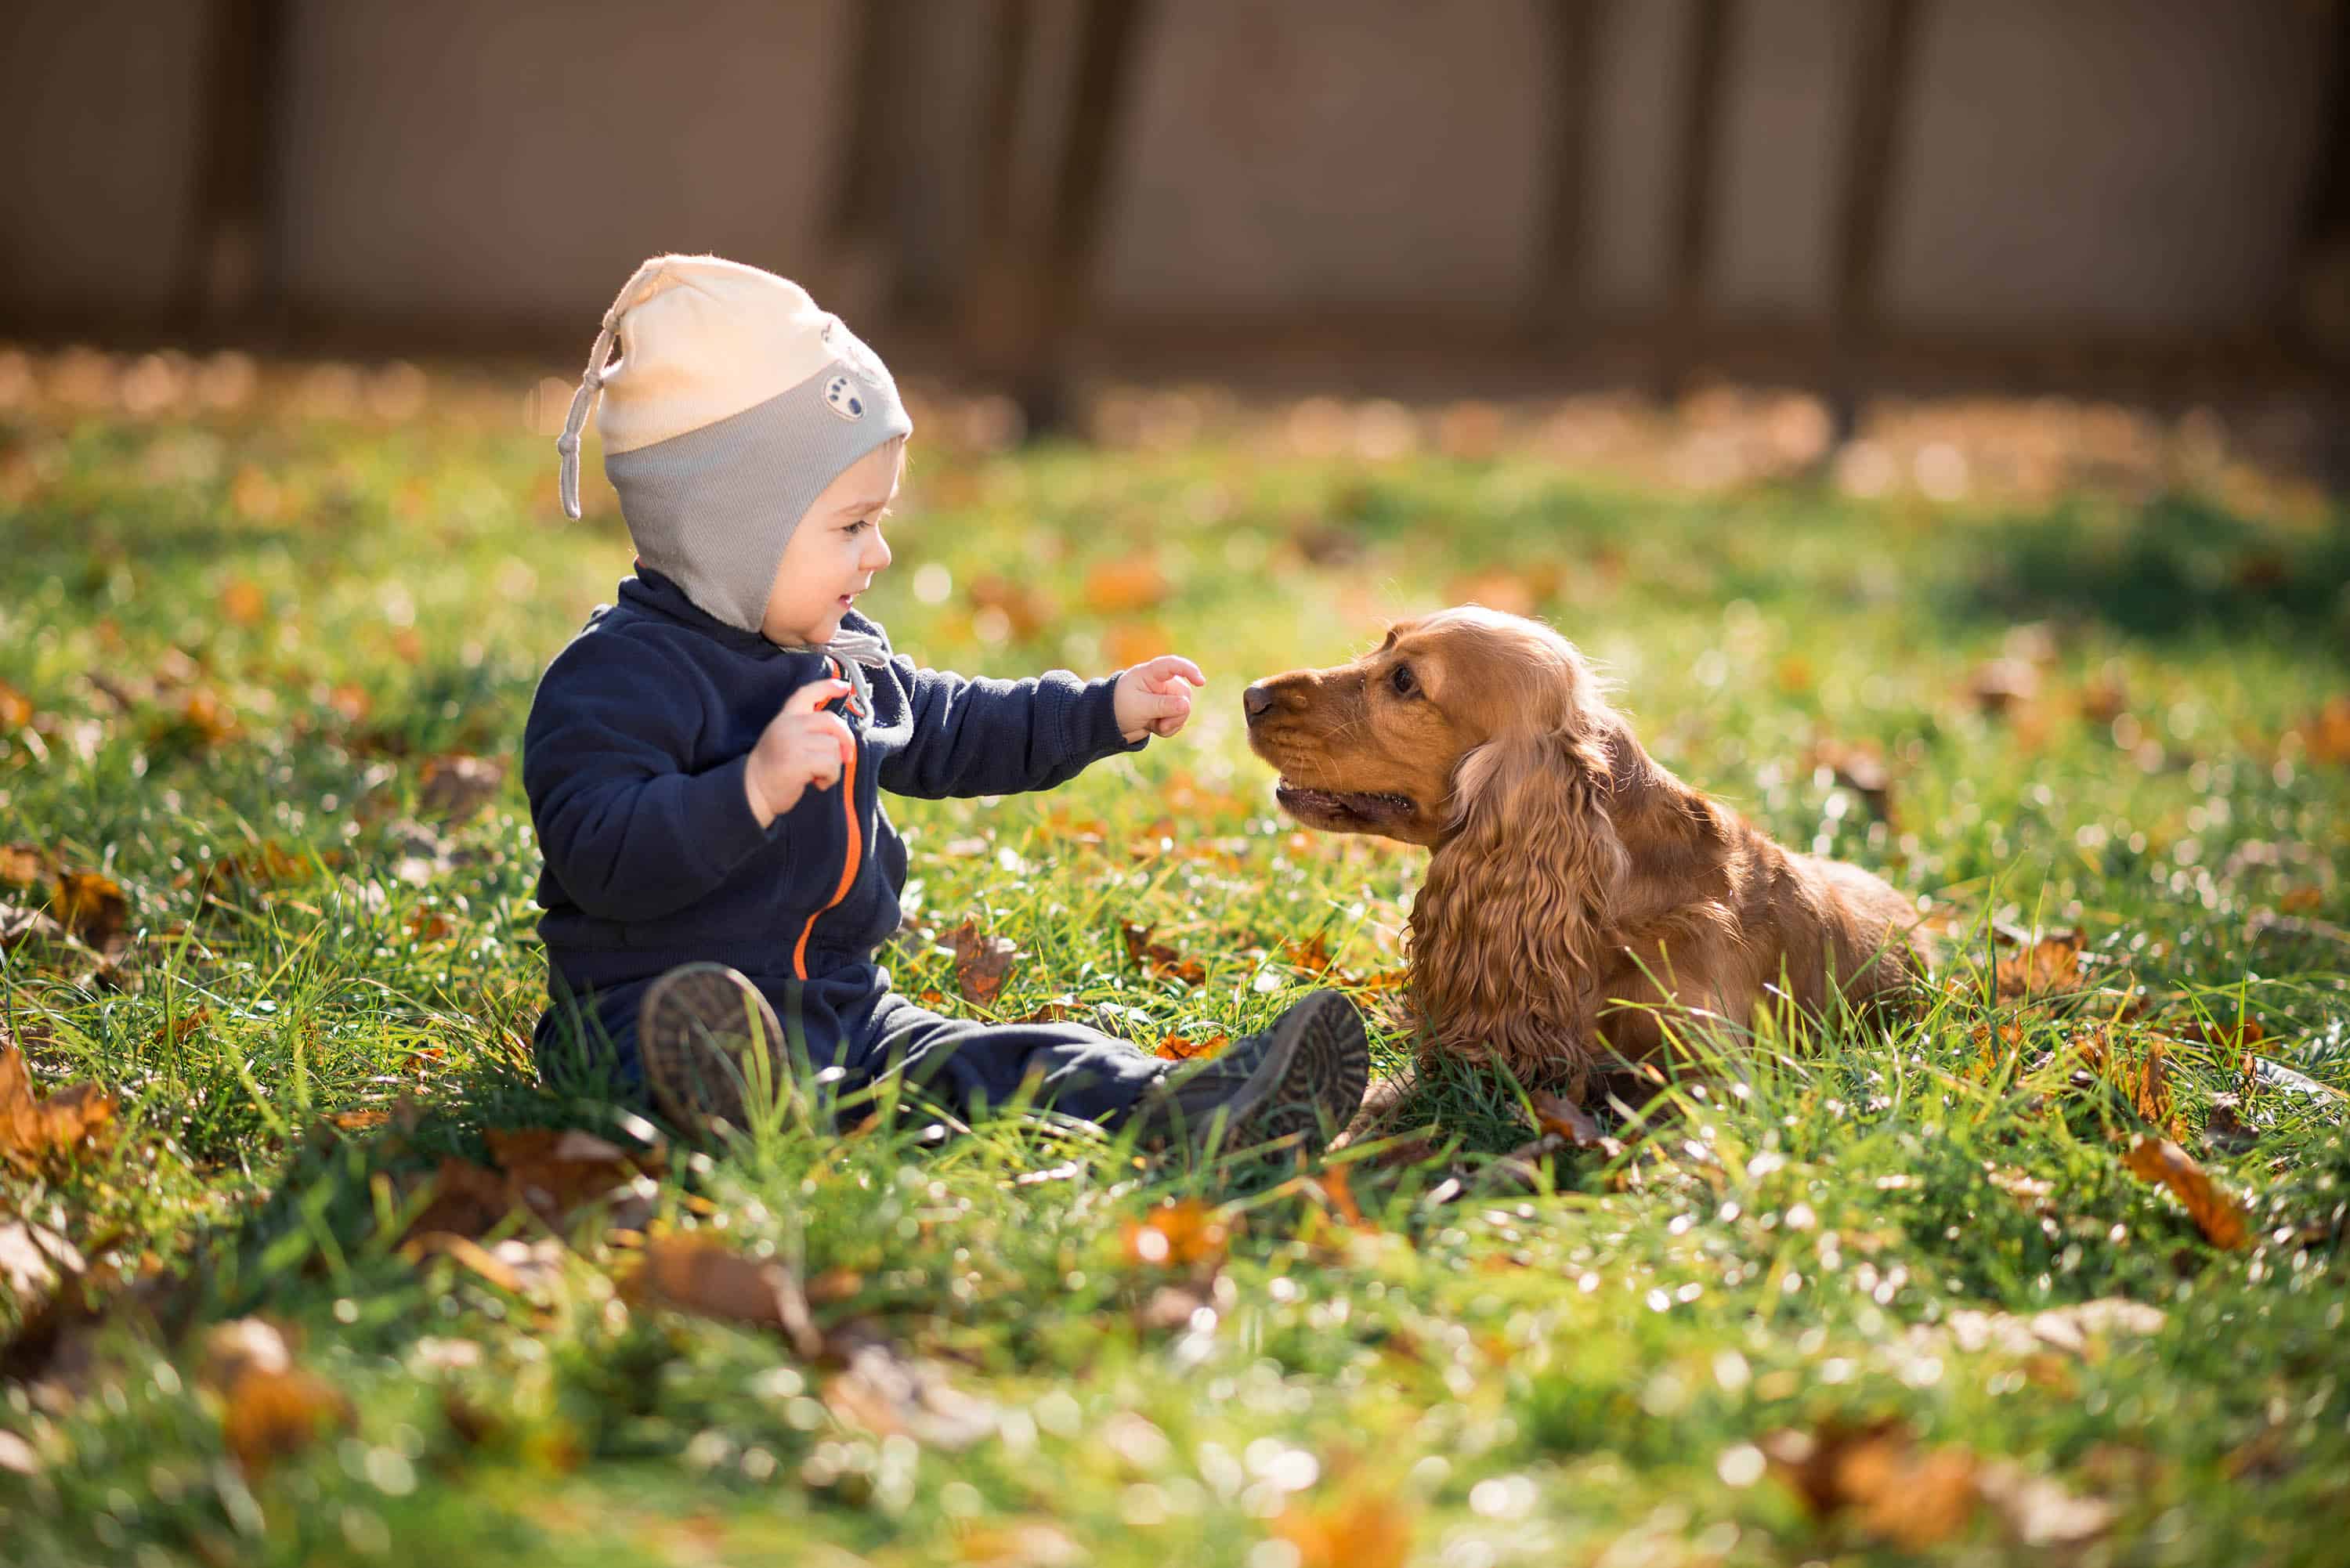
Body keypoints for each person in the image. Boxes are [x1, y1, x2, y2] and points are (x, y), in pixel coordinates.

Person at [523, 255, 1368, 1154]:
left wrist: (1101, 712)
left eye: (876, 522)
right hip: (636, 1014)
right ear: (728, 533)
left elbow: (956, 726)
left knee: (1001, 1060)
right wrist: (750, 790)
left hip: (842, 1010)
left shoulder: (837, 658)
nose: (877, 552)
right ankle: (730, 1099)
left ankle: (1181, 1104)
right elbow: (599, 853)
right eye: (850, 526)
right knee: (683, 1049)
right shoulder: (615, 679)